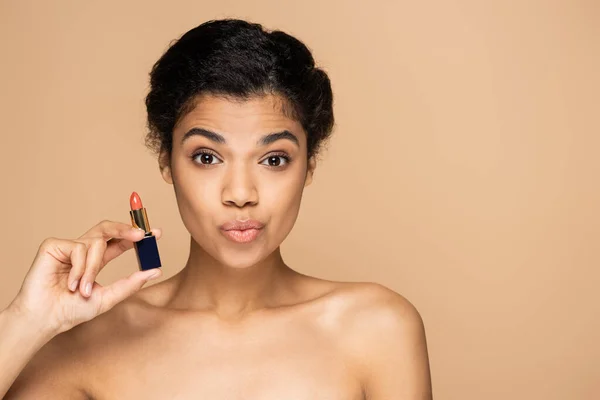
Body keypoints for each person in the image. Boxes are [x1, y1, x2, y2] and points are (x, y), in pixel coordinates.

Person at [1, 18, 433, 399]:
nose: (241, 193)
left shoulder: (378, 328)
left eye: (274, 159)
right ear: (167, 164)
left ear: (309, 167)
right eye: (207, 157)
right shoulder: (88, 344)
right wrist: (27, 320)